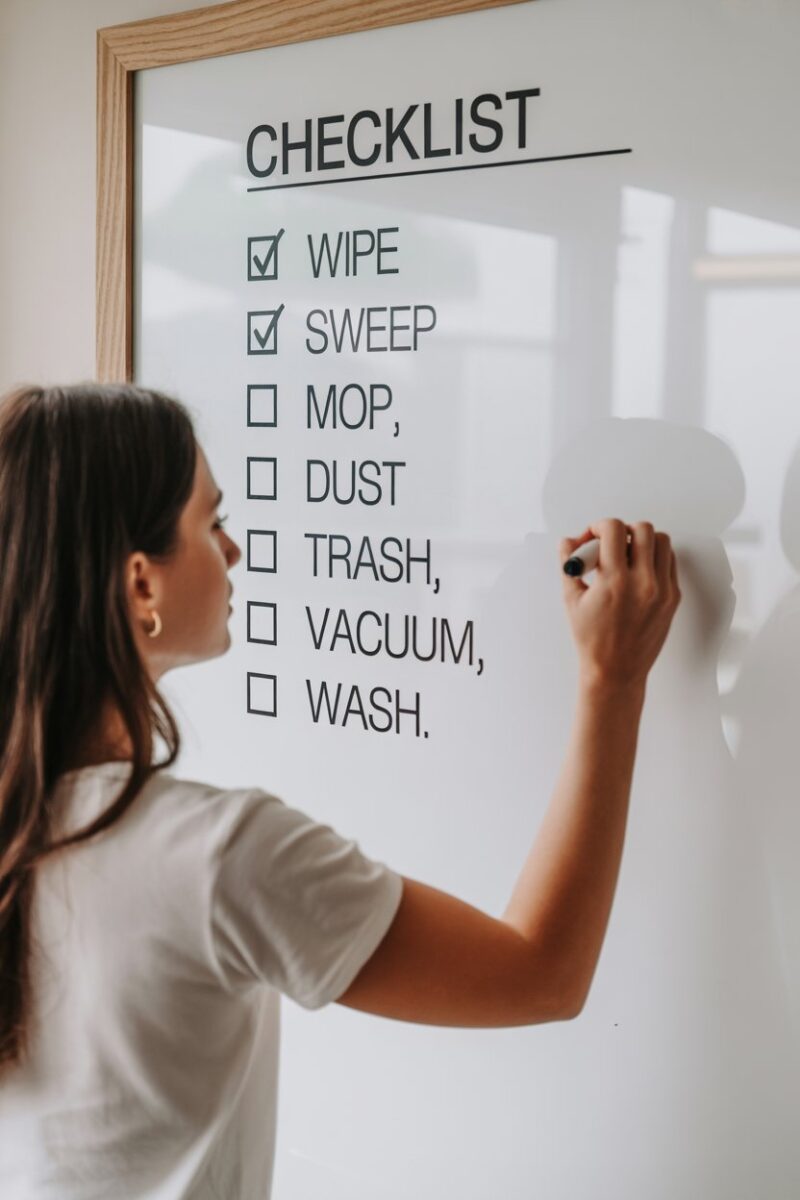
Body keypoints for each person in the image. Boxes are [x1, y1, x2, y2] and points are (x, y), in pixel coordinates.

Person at [0, 383, 680, 1198]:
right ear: (141, 585)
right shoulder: (218, 857)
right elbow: (543, 975)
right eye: (210, 522)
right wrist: (613, 679)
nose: (235, 549)